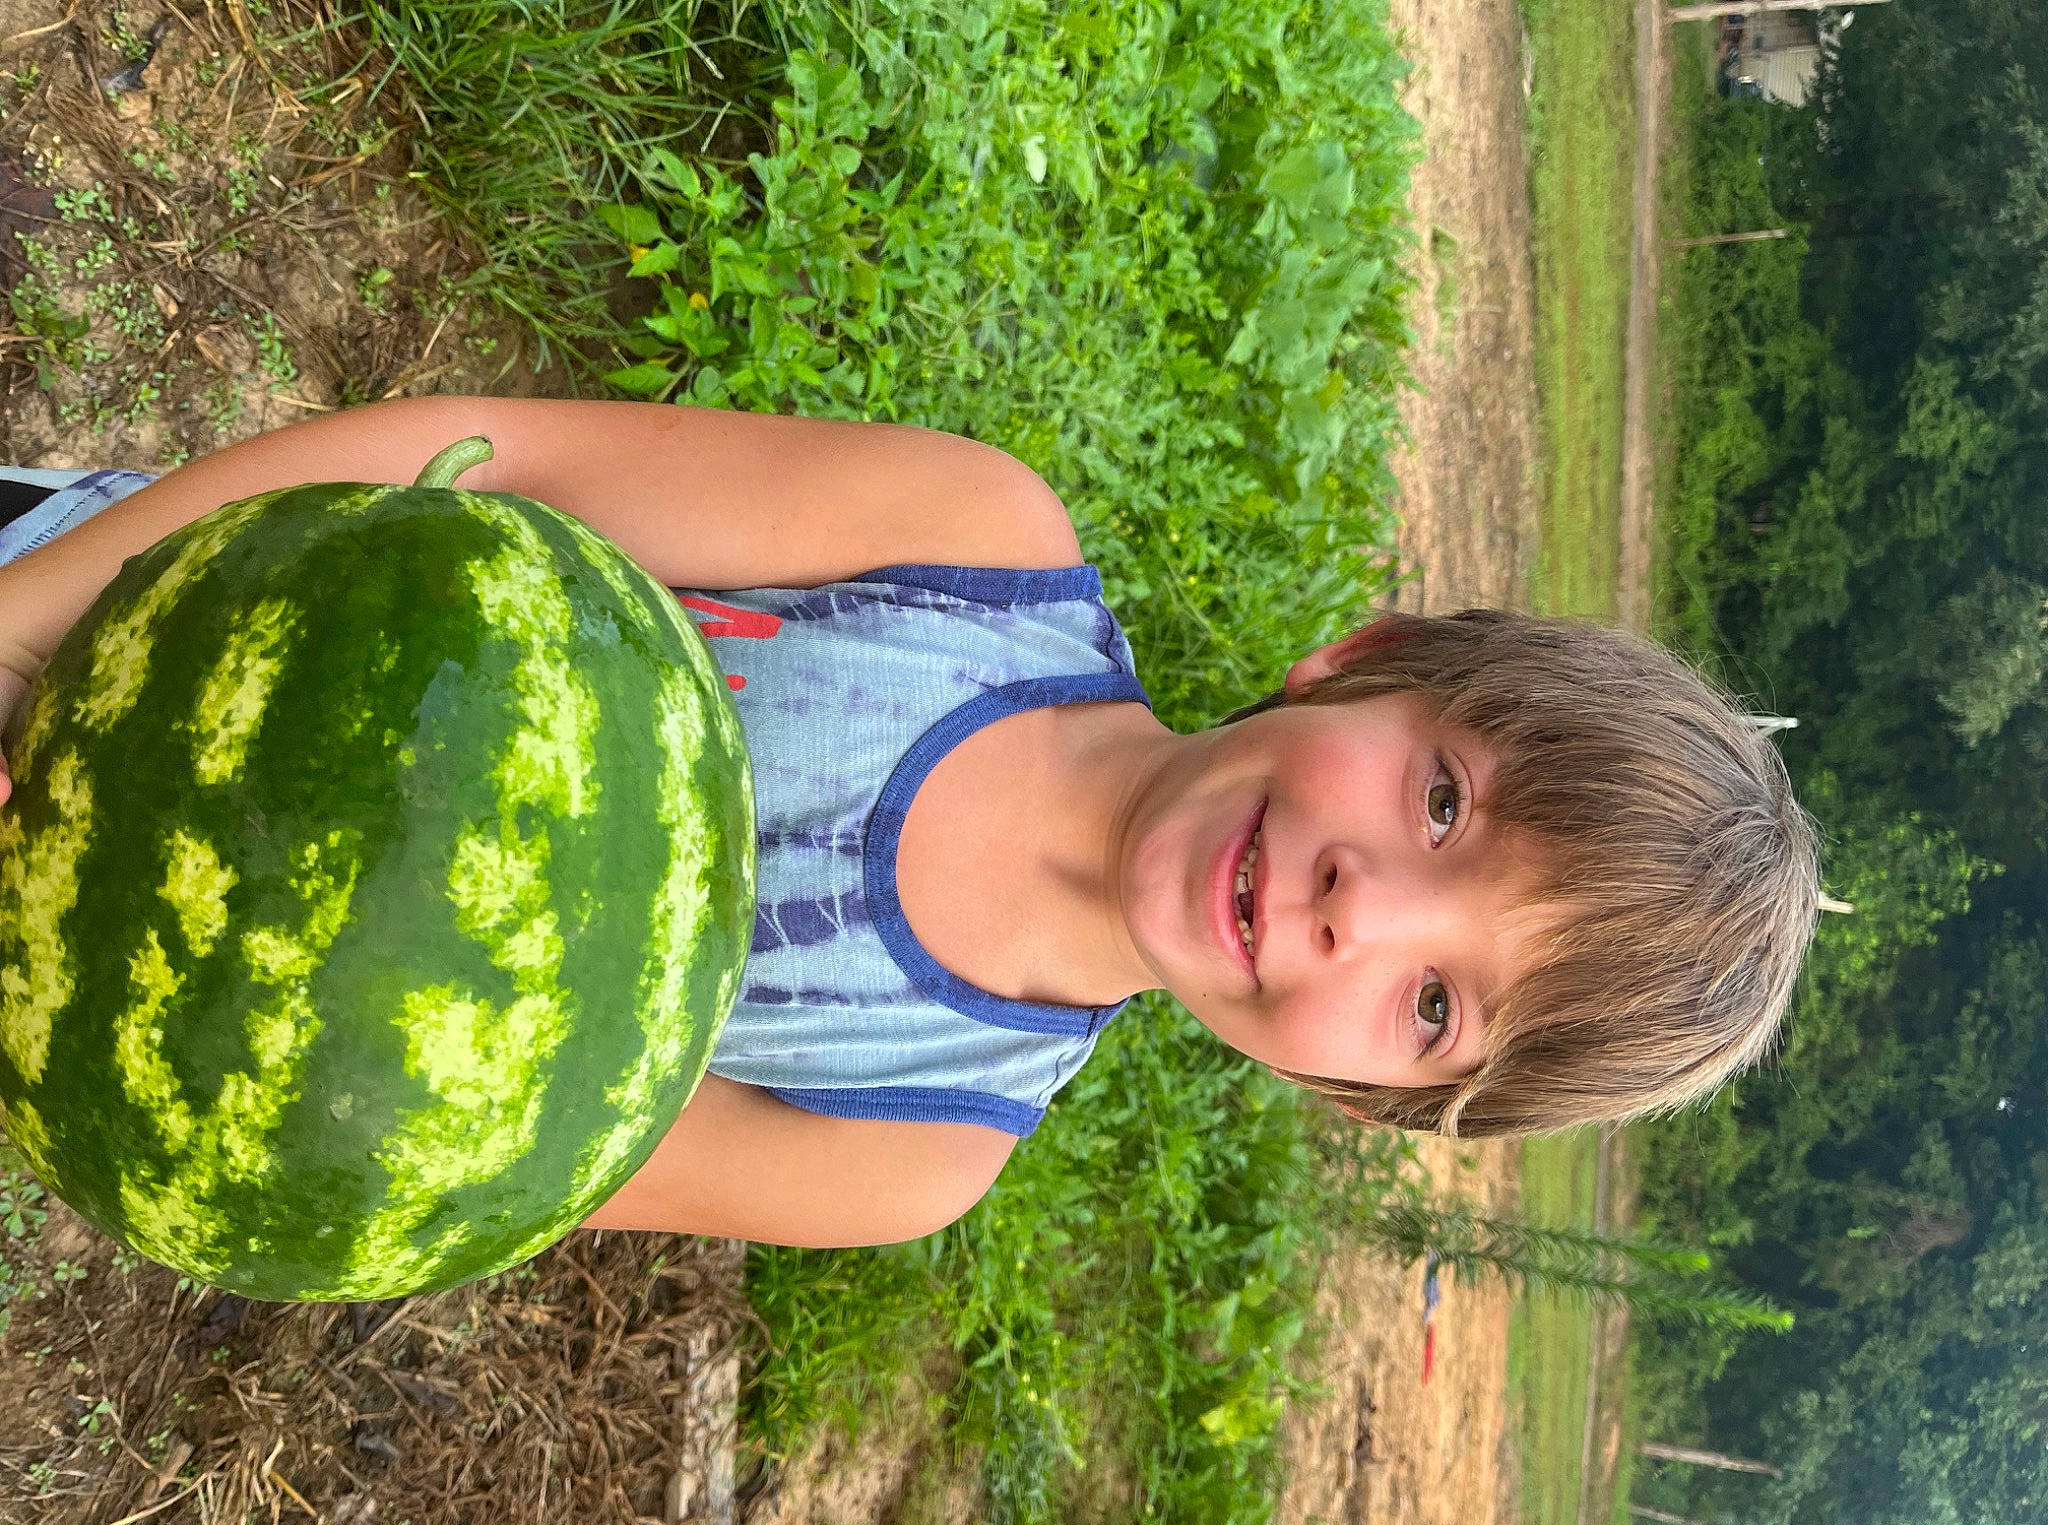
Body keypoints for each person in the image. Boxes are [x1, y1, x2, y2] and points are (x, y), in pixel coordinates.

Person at [0, 395, 1820, 1247]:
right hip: (83, 610)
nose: (1366, 907)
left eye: (1435, 1007)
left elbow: (451, 1164)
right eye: (1442, 802)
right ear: (1371, 657)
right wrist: (27, 633)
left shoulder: (906, 1153)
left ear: (1364, 1097)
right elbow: (486, 455)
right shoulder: (971, 545)